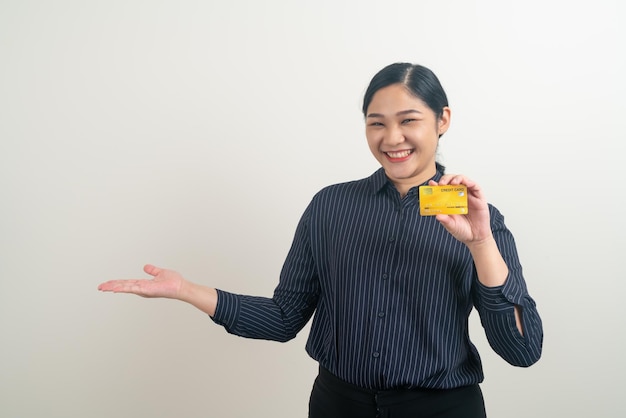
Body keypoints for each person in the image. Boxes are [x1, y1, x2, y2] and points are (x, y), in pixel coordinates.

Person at [98, 62, 543, 418]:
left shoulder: (478, 217)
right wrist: (185, 290)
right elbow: (284, 317)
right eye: (376, 123)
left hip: (443, 408)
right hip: (337, 405)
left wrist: (481, 243)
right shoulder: (330, 206)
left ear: (442, 120)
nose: (392, 138)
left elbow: (522, 351)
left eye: (409, 120)